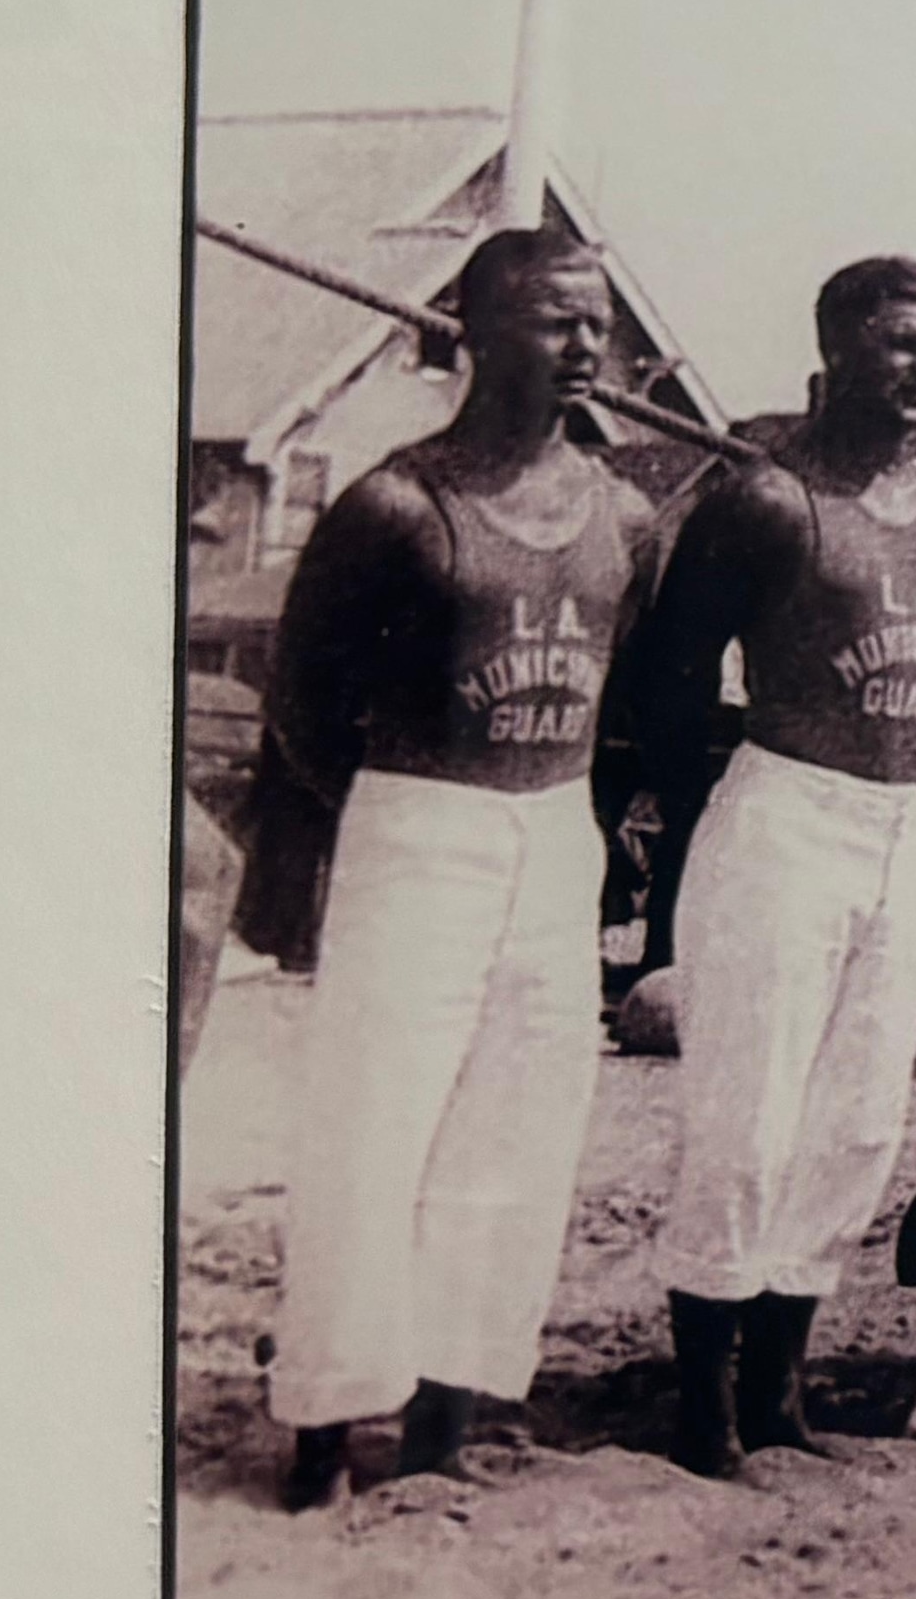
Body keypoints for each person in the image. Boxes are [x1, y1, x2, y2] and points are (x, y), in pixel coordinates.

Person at [252, 227, 654, 1507]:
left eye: (597, 325)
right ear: (473, 333)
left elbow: (628, 694)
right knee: (371, 1125)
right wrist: (394, 813)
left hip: (554, 831)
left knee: (516, 1132)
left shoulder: (624, 515)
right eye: (553, 320)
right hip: (419, 826)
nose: (584, 345)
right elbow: (301, 702)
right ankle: (325, 1426)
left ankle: (447, 1416)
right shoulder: (394, 506)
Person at [615, 253, 916, 1477]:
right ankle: (702, 1406)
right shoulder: (767, 500)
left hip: (904, 828)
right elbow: (667, 676)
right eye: (900, 344)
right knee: (748, 1117)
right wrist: (695, 816)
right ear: (834, 354)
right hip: (785, 813)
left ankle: (780, 1393)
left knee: (858, 1124)